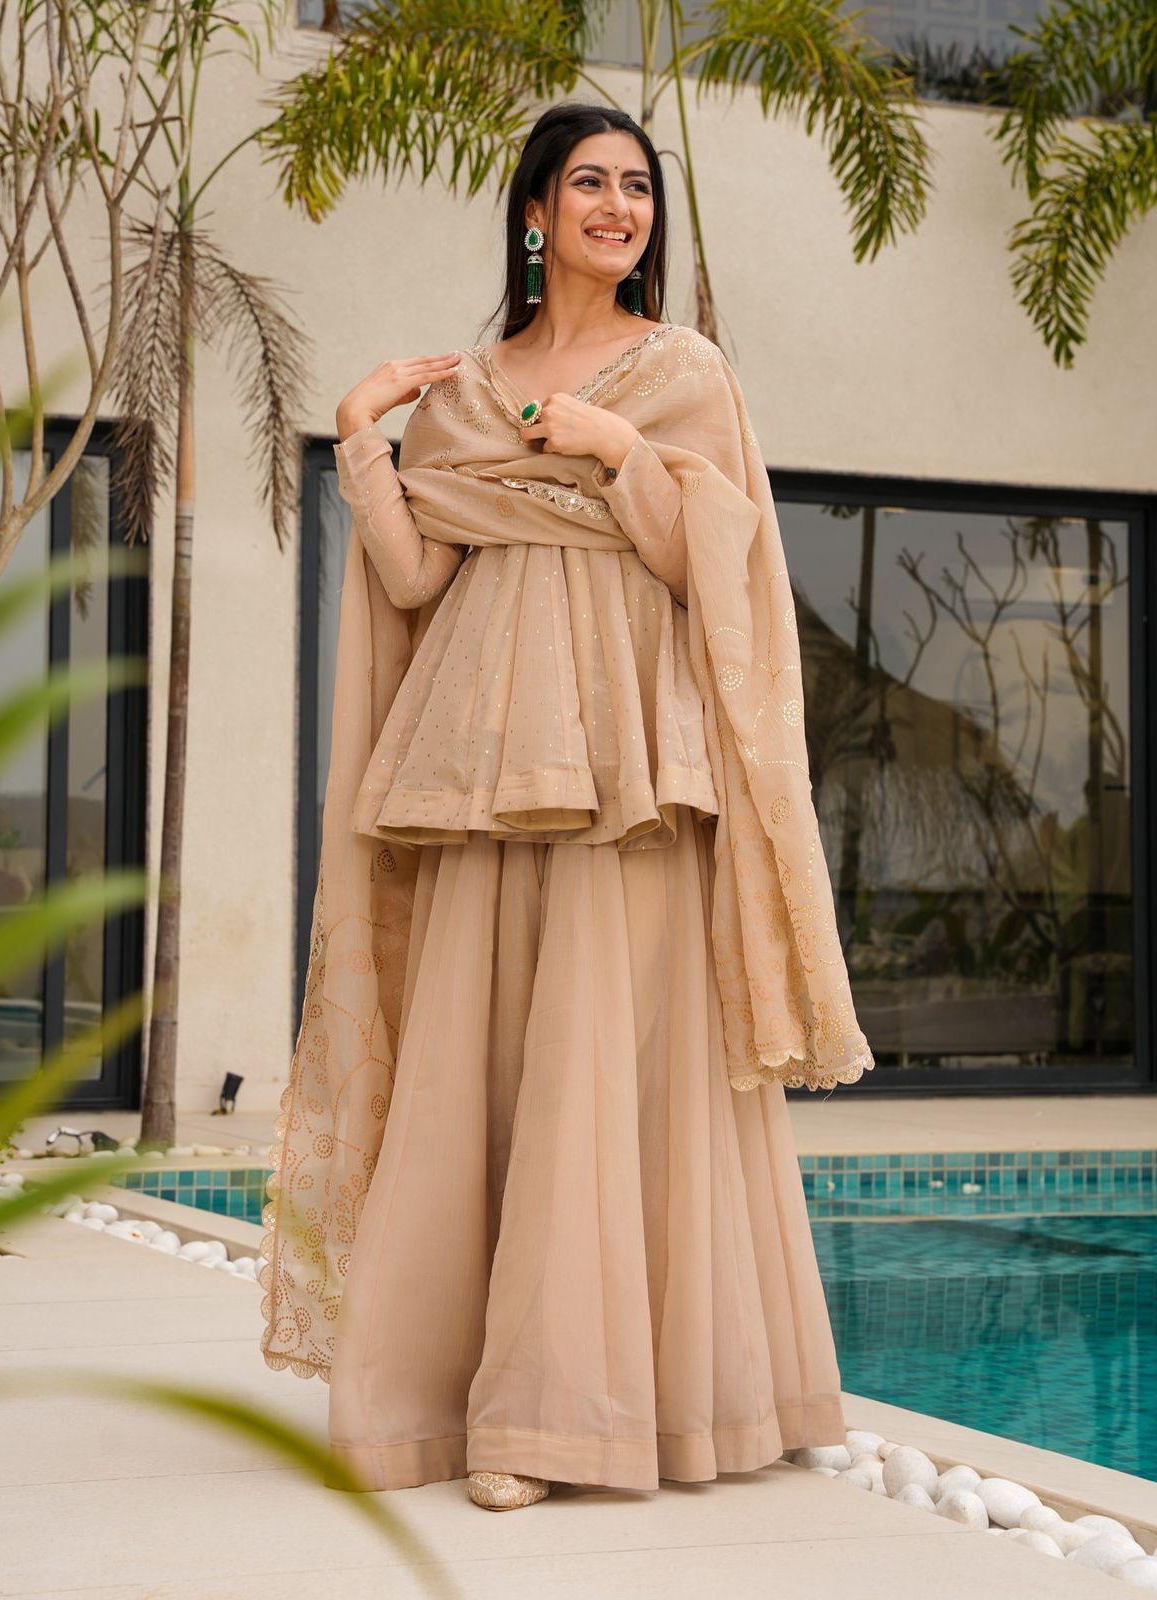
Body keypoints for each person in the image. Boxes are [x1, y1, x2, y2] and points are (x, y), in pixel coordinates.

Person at [259, 101, 873, 1513]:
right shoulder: (462, 396)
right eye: (588, 183)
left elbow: (724, 565)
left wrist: (618, 452)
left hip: (632, 780)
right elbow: (415, 578)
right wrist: (360, 435)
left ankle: (565, 1423)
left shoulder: (685, 371)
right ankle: (447, 1404)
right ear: (534, 213)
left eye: (636, 187)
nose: (616, 206)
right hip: (480, 770)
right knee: (476, 1068)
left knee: (616, 1068)